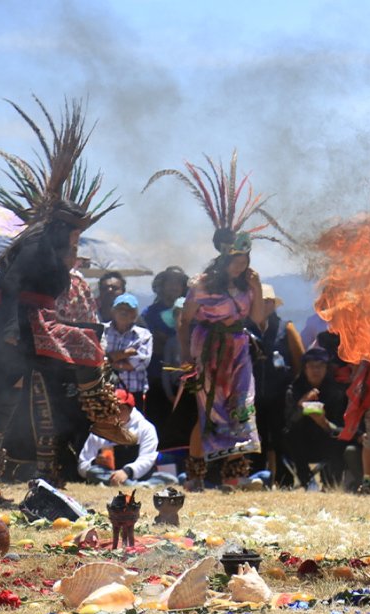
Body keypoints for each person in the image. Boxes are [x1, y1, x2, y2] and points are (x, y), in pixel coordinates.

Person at [0, 97, 133, 490]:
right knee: (86, 343)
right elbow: (16, 292)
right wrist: (13, 329)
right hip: (20, 329)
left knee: (3, 406)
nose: (77, 241)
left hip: (16, 330)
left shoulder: (39, 247)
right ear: (63, 231)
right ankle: (104, 415)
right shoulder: (40, 250)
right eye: (74, 234)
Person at [148, 153, 292, 490]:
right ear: (225, 259)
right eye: (237, 261)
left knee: (240, 410)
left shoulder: (248, 283)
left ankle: (233, 476)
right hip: (207, 349)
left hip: (238, 349)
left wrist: (255, 287)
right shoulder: (201, 285)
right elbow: (185, 322)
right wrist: (186, 355)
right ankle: (196, 476)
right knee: (208, 411)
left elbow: (257, 320)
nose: (241, 266)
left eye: (245, 260)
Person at [247, 283, 304, 484]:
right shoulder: (245, 329)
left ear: (272, 304)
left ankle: (284, 480)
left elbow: (299, 360)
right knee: (254, 439)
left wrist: (291, 387)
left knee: (281, 439)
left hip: (280, 396)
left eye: (266, 302)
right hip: (252, 396)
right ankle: (255, 479)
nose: (263, 305)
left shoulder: (286, 328)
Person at [284, 346, 349, 488]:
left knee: (339, 440)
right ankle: (306, 482)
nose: (316, 370)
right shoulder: (294, 390)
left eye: (320, 366)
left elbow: (342, 427)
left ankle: (332, 484)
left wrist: (324, 423)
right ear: (305, 369)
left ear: (326, 369)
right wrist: (301, 405)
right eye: (311, 366)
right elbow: (288, 422)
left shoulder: (335, 392)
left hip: (325, 441)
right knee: (291, 436)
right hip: (301, 444)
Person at [77, 389, 160, 486]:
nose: (116, 412)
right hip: (106, 474)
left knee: (168, 478)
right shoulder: (100, 429)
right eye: (112, 409)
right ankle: (134, 485)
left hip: (136, 475)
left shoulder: (145, 428)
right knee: (94, 471)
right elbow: (82, 466)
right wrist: (95, 462)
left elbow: (147, 458)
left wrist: (127, 472)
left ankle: (128, 483)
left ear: (131, 410)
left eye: (121, 408)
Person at [142, 266, 189, 433]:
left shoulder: (192, 313)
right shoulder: (149, 314)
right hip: (155, 378)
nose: (174, 286)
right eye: (170, 282)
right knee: (157, 427)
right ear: (161, 285)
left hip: (185, 381)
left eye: (178, 283)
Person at [102, 293, 153, 403]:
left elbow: (139, 363)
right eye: (120, 309)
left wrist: (109, 361)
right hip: (105, 391)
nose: (124, 312)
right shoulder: (101, 331)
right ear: (113, 312)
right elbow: (97, 359)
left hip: (133, 391)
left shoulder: (144, 335)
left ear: (135, 315)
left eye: (129, 310)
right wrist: (125, 354)